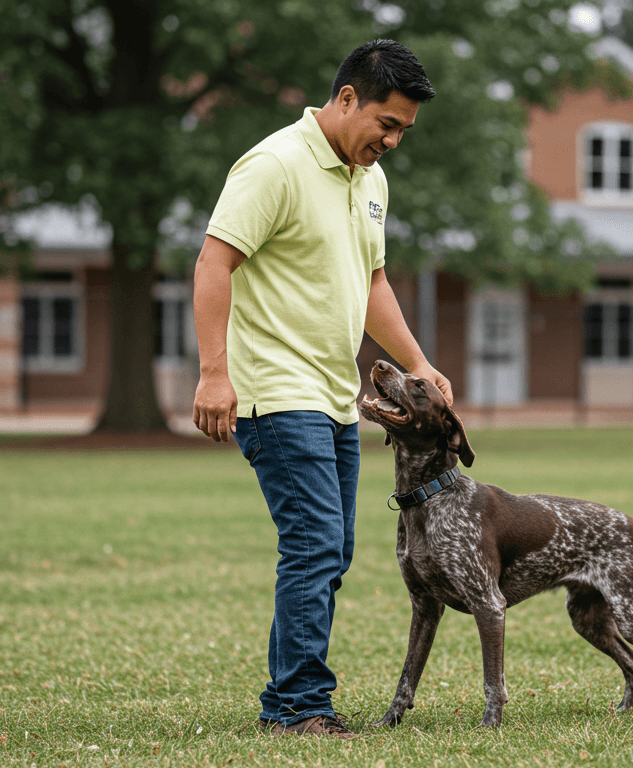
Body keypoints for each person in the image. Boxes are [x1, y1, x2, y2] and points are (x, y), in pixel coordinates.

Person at [191, 39, 453, 739]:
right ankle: (299, 706)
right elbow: (214, 262)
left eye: (403, 131)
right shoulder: (274, 165)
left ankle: (291, 700)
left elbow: (371, 285)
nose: (393, 141)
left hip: (335, 395)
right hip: (275, 391)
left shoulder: (369, 180)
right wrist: (214, 372)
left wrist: (419, 363)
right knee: (314, 544)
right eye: (386, 124)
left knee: (330, 549)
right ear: (345, 100)